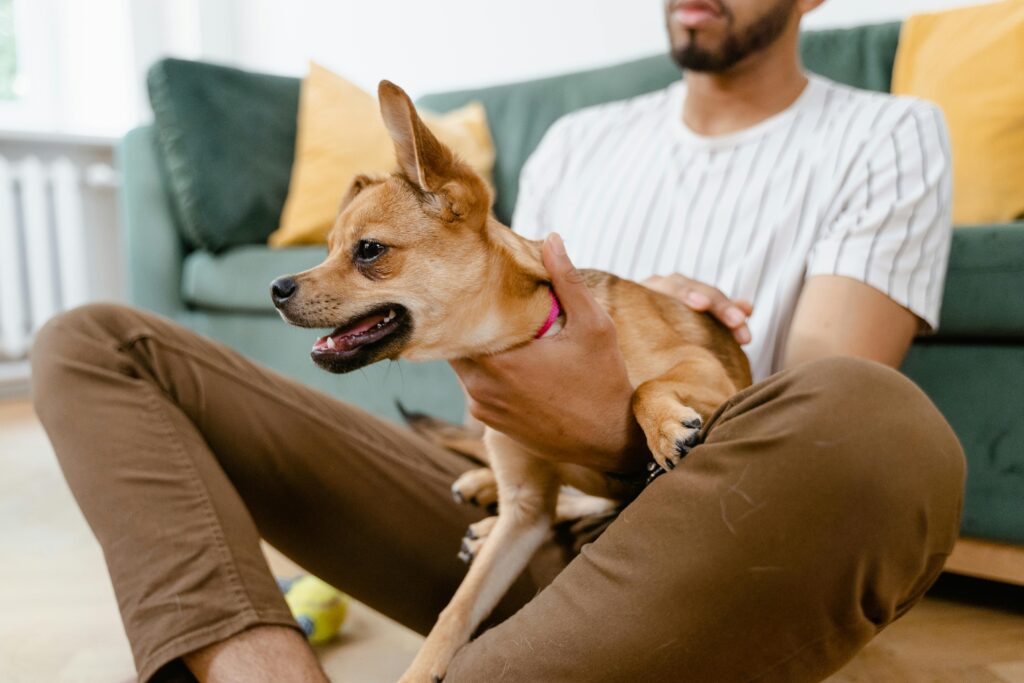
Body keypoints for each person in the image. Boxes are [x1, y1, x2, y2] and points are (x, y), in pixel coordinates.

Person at [31, 0, 965, 681]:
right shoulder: (578, 139)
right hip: (520, 521)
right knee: (93, 340)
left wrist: (617, 407)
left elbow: (810, 425)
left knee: (870, 413)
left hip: (711, 541)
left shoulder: (888, 133)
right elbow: (498, 313)